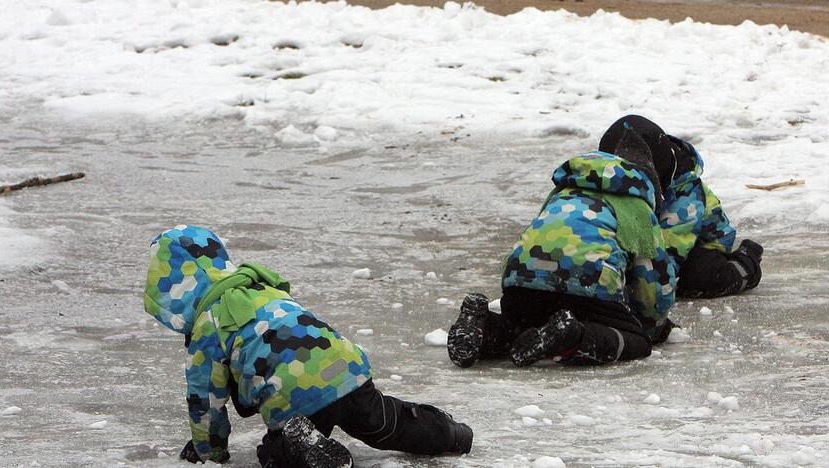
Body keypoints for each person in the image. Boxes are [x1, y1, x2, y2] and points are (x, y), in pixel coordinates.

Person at [144, 225, 472, 467]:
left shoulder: (207, 327)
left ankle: (302, 442)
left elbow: (205, 400)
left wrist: (208, 452)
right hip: (346, 369)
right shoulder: (265, 288)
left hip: (293, 395)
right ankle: (452, 434)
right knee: (388, 422)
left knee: (273, 454)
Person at [448, 127, 677, 368]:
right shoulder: (637, 208)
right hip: (586, 278)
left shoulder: (562, 192)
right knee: (637, 342)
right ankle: (573, 338)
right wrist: (653, 326)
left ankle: (485, 330)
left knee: (523, 327)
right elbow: (652, 286)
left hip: (522, 277)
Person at [598, 115, 763, 299]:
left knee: (696, 280)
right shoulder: (614, 181)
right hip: (646, 234)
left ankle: (746, 262)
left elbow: (667, 257)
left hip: (701, 244)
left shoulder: (685, 196)